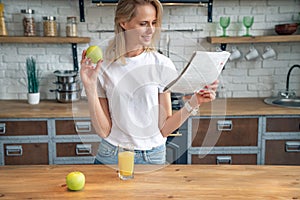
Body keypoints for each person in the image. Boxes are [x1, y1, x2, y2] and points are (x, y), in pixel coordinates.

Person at [80, 0, 219, 165]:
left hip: (152, 157)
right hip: (112, 155)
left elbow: (164, 129)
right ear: (123, 22)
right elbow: (104, 131)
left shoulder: (162, 64)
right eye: (143, 23)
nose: (151, 29)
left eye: (154, 23)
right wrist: (90, 87)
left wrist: (194, 103)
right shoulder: (104, 67)